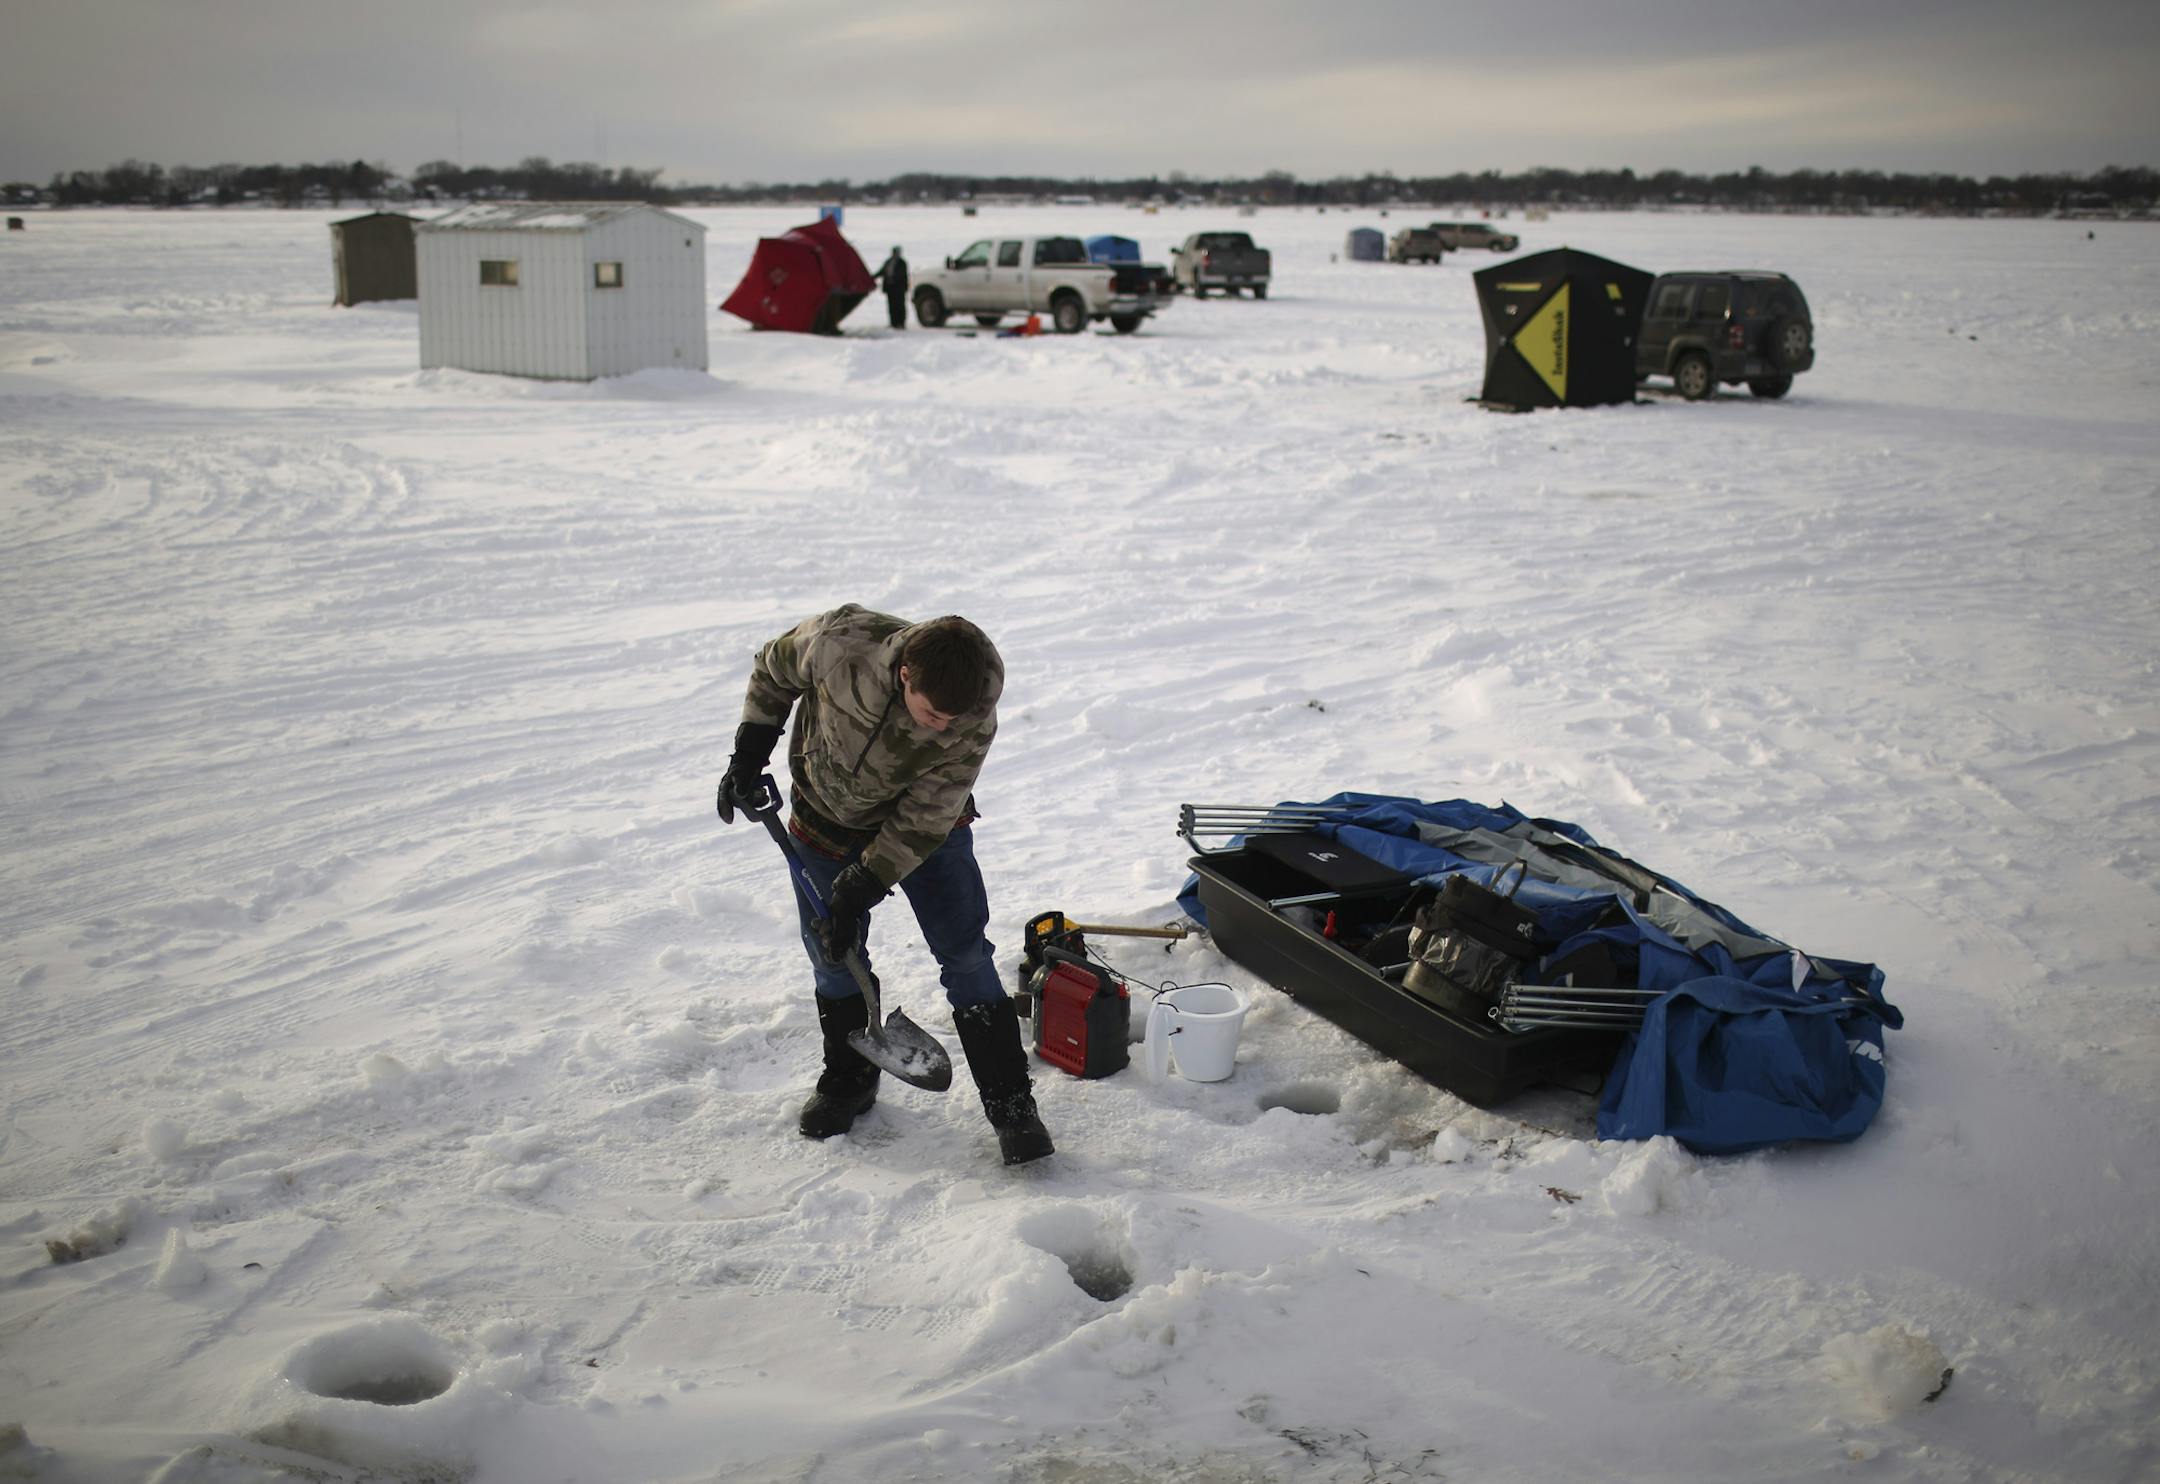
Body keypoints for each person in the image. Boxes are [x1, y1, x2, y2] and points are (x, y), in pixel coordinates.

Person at [715, 605, 1052, 1165]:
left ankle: (1012, 1106)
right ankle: (849, 1080)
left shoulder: (972, 721)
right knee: (832, 954)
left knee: (966, 957)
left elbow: (925, 817)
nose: (940, 728)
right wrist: (750, 752)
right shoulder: (839, 642)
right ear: (904, 676)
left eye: (951, 720)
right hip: (823, 816)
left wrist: (865, 882)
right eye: (930, 714)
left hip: (928, 837)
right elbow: (774, 672)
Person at [875, 247, 909, 330]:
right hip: (890, 288)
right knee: (891, 306)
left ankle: (901, 323)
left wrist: (893, 278)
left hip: (899, 288)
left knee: (900, 306)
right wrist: (873, 277)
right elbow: (882, 271)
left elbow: (901, 274)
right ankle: (893, 322)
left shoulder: (902, 263)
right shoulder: (888, 262)